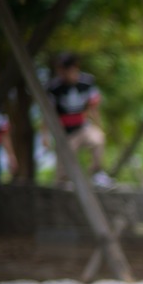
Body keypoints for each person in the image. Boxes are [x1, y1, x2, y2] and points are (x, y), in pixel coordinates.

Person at [46, 52, 112, 188]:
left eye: (65, 70)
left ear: (74, 68)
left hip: (83, 127)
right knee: (63, 166)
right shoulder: (54, 87)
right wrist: (45, 134)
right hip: (64, 131)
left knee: (98, 139)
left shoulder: (87, 82)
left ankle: (97, 173)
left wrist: (99, 127)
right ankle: (63, 182)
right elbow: (47, 113)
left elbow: (93, 107)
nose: (62, 74)